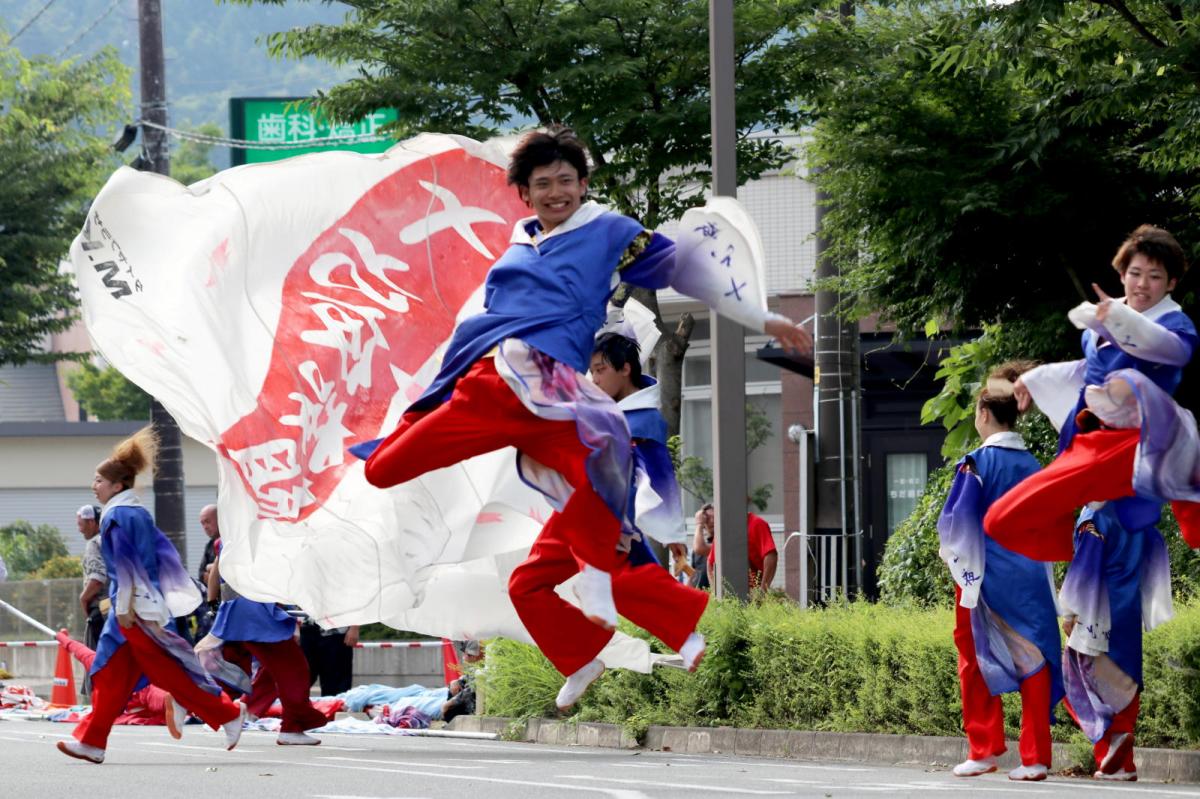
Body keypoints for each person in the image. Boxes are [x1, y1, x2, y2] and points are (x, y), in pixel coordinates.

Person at [356, 127, 810, 677]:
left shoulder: (609, 233)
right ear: (524, 193)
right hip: (490, 388)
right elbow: (485, 320)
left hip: (552, 394)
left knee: (598, 501)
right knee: (381, 469)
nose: (555, 192)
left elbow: (688, 269)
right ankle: (596, 638)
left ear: (583, 183)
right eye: (542, 183)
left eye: (565, 181)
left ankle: (643, 618)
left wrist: (763, 317)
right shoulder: (517, 245)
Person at [985, 225, 1194, 780]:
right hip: (1092, 473)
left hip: (1131, 467)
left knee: (1116, 625)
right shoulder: (1097, 327)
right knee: (1006, 521)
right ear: (1122, 272)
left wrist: (1116, 319)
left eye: (1154, 275)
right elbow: (1084, 376)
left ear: (1170, 281)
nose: (1143, 283)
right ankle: (1108, 743)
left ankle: (1118, 753)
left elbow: (1163, 349)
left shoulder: (1173, 325)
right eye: (1134, 273)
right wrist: (1034, 378)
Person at [508, 329, 710, 711]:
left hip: (608, 512)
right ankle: (580, 659)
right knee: (524, 584)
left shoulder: (644, 419)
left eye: (601, 370)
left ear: (626, 369)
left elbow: (658, 476)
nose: (595, 378)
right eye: (592, 370)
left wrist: (668, 531)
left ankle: (685, 633)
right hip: (571, 506)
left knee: (615, 581)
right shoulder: (600, 405)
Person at [56, 427, 245, 764]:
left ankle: (226, 714)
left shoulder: (119, 514)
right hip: (131, 608)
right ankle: (93, 741)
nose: (94, 486)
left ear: (117, 485)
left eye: (99, 480)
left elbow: (131, 567)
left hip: (135, 609)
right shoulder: (130, 512)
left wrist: (126, 606)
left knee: (166, 670)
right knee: (113, 675)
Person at [937, 363, 1063, 781]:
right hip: (1031, 577)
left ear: (984, 414)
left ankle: (984, 748)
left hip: (984, 577)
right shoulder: (1036, 467)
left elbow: (957, 527)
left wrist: (955, 564)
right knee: (1035, 660)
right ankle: (1036, 758)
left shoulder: (976, 464)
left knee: (973, 659)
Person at [193, 506, 327, 746]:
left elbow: (215, 571)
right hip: (257, 613)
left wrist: (213, 605)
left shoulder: (230, 538)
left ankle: (199, 701)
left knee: (240, 669)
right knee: (293, 669)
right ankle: (290, 727)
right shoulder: (264, 536)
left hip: (235, 612)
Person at [693, 503, 777, 592]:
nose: (712, 520)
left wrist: (763, 590)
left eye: (714, 516)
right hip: (726, 594)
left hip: (751, 590)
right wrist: (716, 593)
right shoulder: (722, 531)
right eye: (707, 518)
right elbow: (709, 563)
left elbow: (770, 554)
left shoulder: (755, 524)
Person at [77, 504, 107, 696]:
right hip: (120, 608)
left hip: (101, 609)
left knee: (95, 658)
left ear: (91, 522)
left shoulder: (95, 543)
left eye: (81, 524)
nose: (80, 529)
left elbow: (97, 577)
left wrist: (83, 598)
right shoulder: (112, 540)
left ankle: (100, 698)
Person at [299, 620, 360, 698]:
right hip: (306, 627)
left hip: (336, 631)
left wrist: (355, 627)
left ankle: (335, 706)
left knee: (334, 685)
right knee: (300, 678)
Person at [197, 504, 220, 586]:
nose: (205, 527)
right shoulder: (209, 546)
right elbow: (201, 574)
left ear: (219, 519)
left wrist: (210, 568)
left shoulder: (232, 541)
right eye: (202, 523)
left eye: (207, 521)